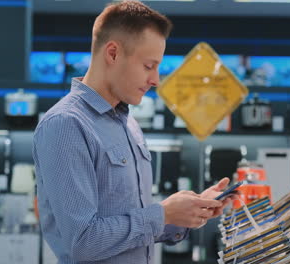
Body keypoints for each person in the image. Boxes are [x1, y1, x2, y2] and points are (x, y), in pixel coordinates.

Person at [32, 1, 233, 263]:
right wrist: (162, 213)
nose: (156, 80)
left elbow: (133, 232)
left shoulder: (128, 124)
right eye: (149, 66)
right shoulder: (66, 125)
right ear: (113, 53)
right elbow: (83, 242)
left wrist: (188, 212)